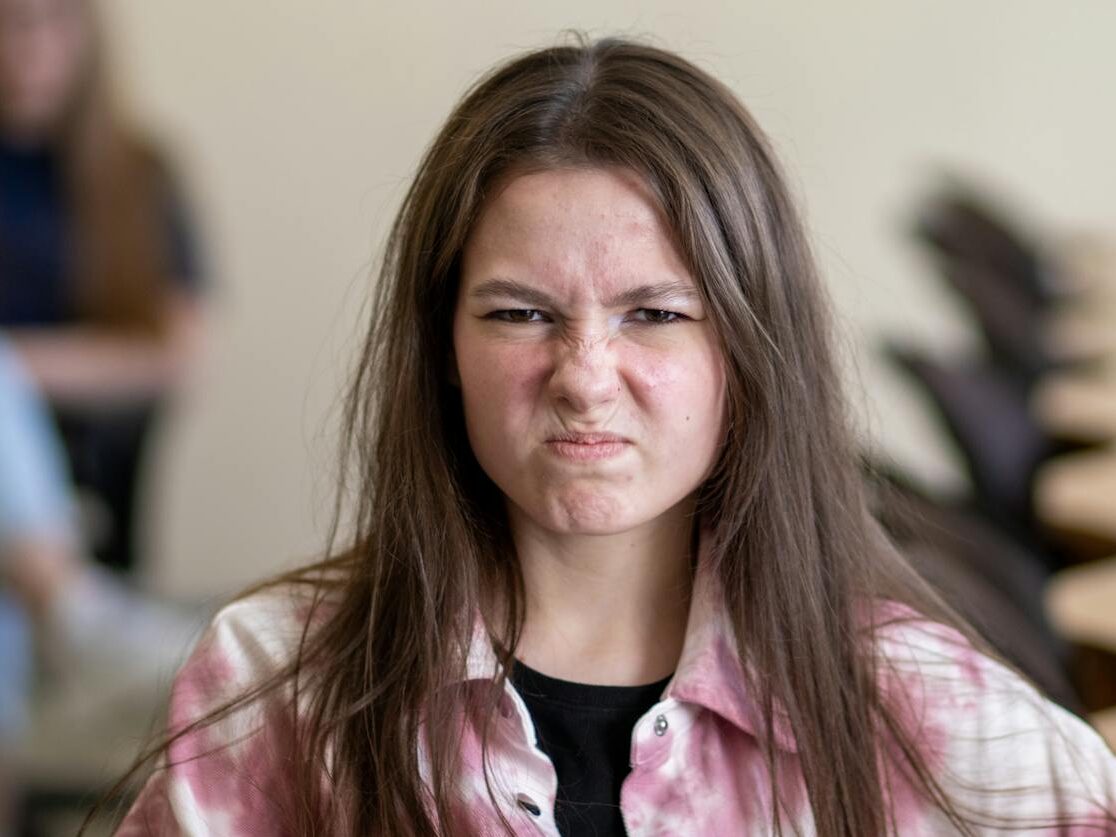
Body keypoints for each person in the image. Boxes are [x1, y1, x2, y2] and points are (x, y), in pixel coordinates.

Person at [106, 35, 1116, 836]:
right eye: (519, 314)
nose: (585, 377)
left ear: (750, 352)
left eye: (655, 314)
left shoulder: (923, 714)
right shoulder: (277, 684)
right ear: (441, 348)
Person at [0, 0, 207, 766]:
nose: (24, 48)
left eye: (45, 22)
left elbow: (173, 351)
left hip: (80, 480)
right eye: (7, 24)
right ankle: (71, 611)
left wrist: (13, 369)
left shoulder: (136, 175)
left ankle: (50, 585)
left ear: (85, 33)